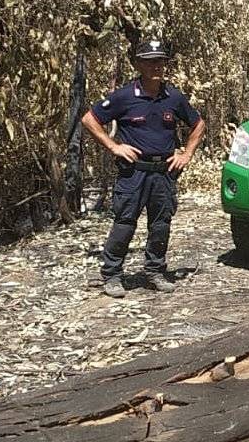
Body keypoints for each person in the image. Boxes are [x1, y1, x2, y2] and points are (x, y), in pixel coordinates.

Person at [81, 38, 206, 298]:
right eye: (150, 62)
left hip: (164, 173)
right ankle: (112, 275)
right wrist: (114, 147)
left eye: (160, 61)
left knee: (161, 224)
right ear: (139, 64)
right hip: (133, 172)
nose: (156, 66)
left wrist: (187, 154)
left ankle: (154, 271)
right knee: (125, 222)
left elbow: (198, 125)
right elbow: (89, 119)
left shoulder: (173, 97)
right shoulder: (125, 96)